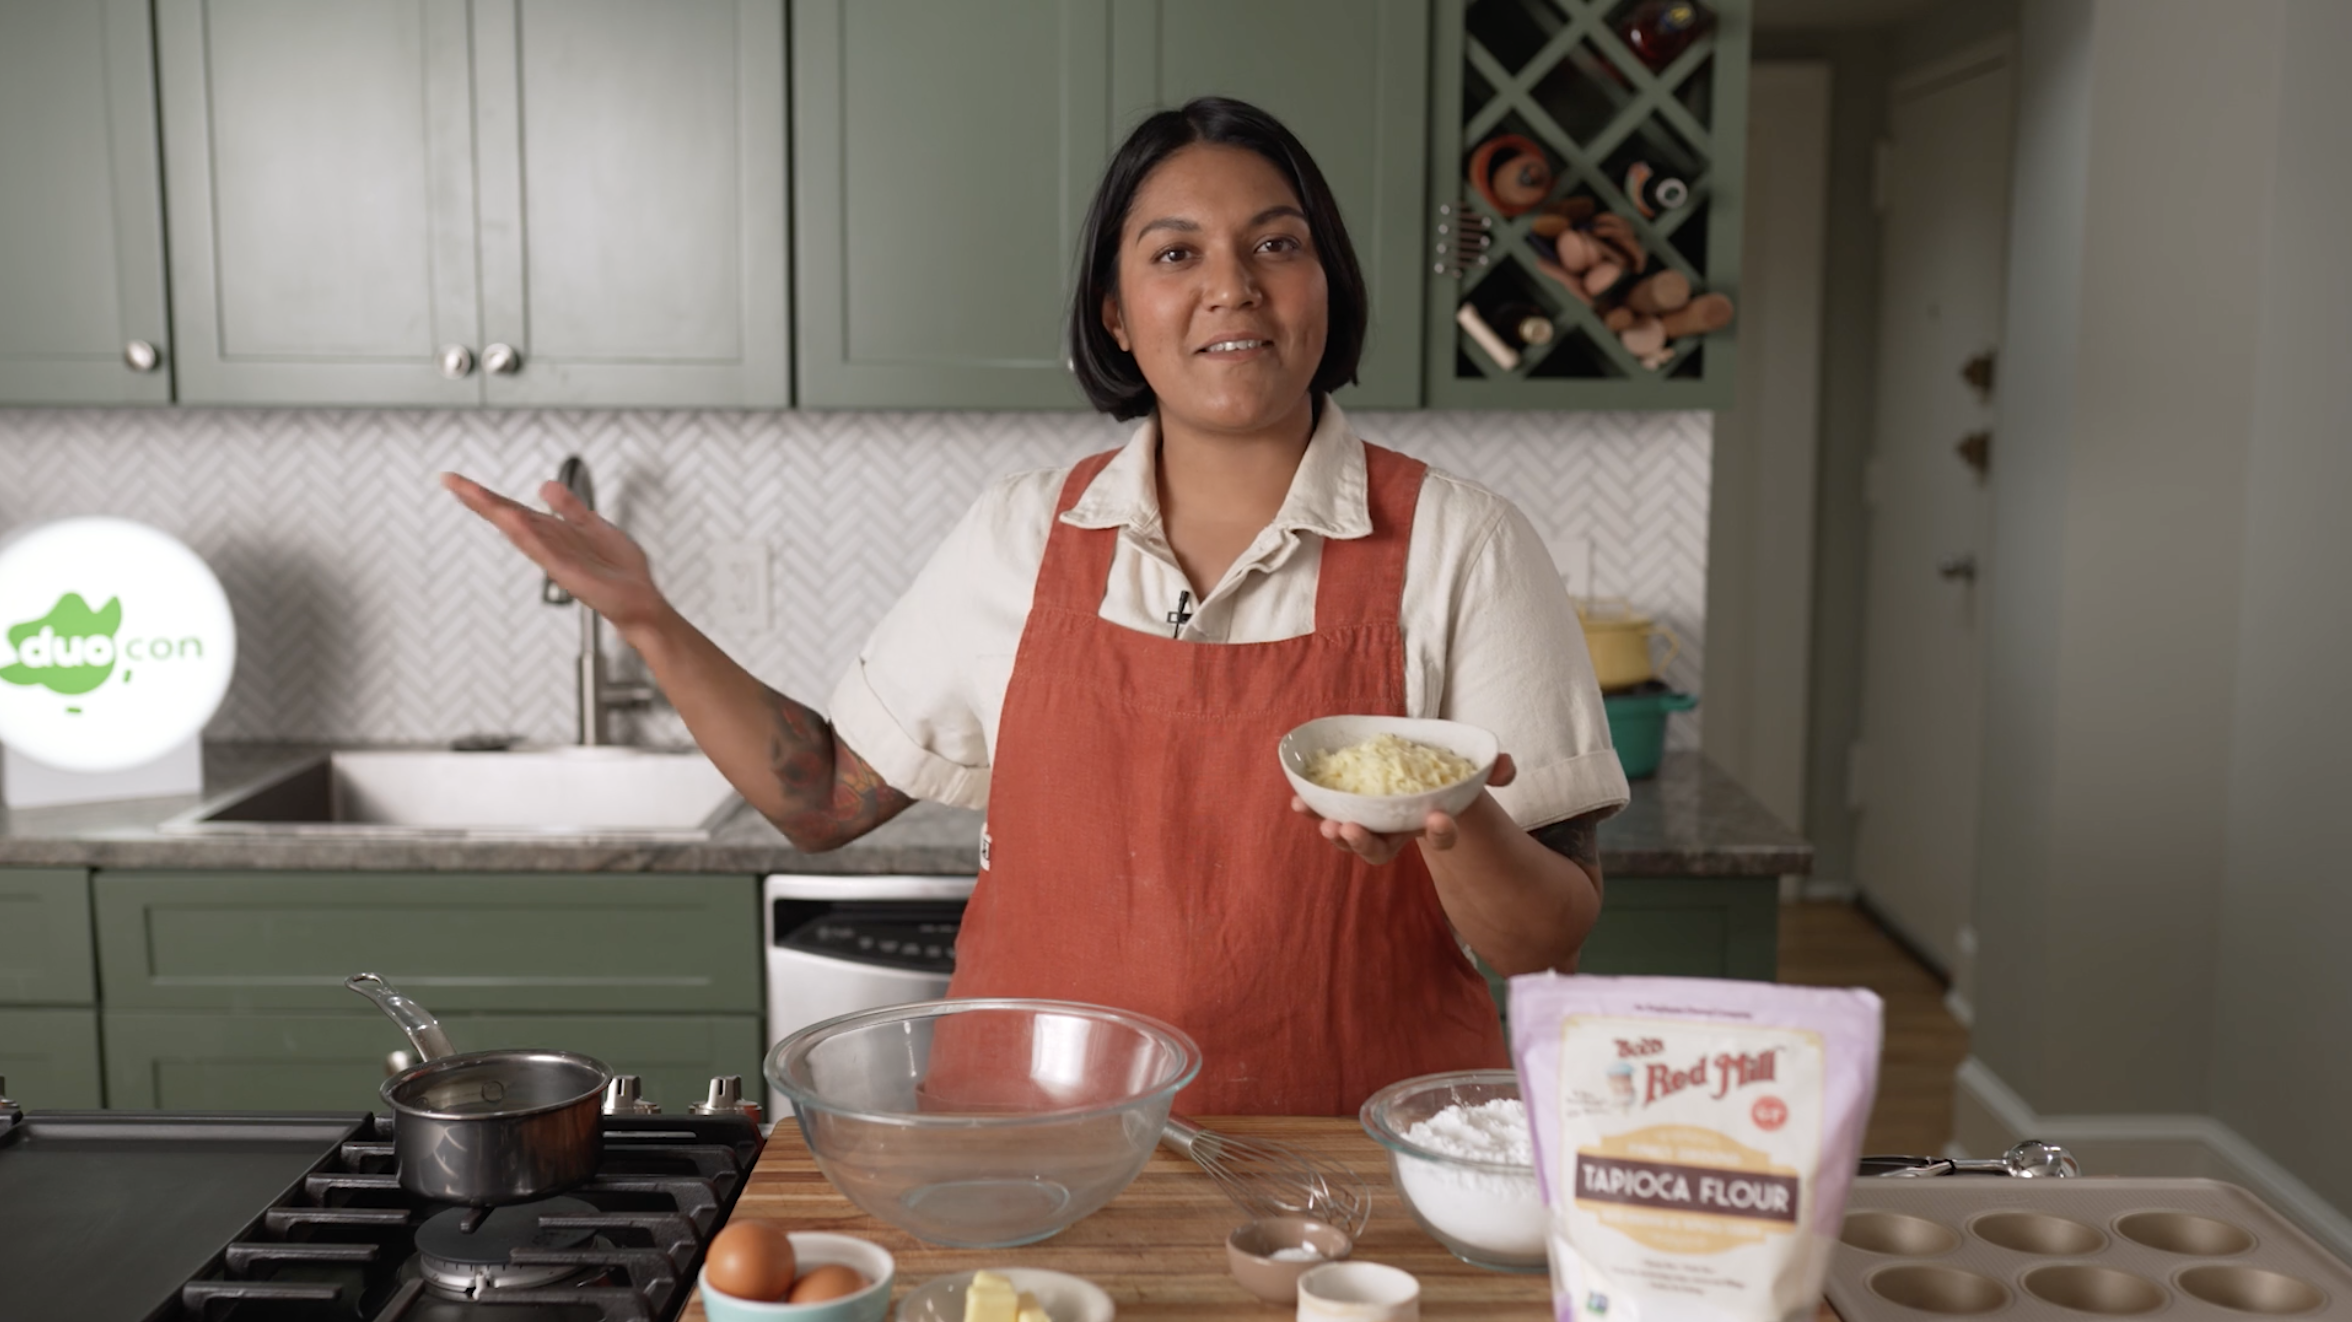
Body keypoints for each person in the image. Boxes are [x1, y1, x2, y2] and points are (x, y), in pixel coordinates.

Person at [444, 97, 1628, 1115]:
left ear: (1326, 282)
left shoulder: (1461, 544)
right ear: (1116, 311)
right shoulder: (1023, 533)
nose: (1231, 285)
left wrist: (1444, 813)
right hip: (1044, 1163)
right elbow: (826, 796)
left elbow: (1544, 938)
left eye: (1277, 243)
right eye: (1175, 254)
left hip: (1355, 1177)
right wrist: (646, 615)